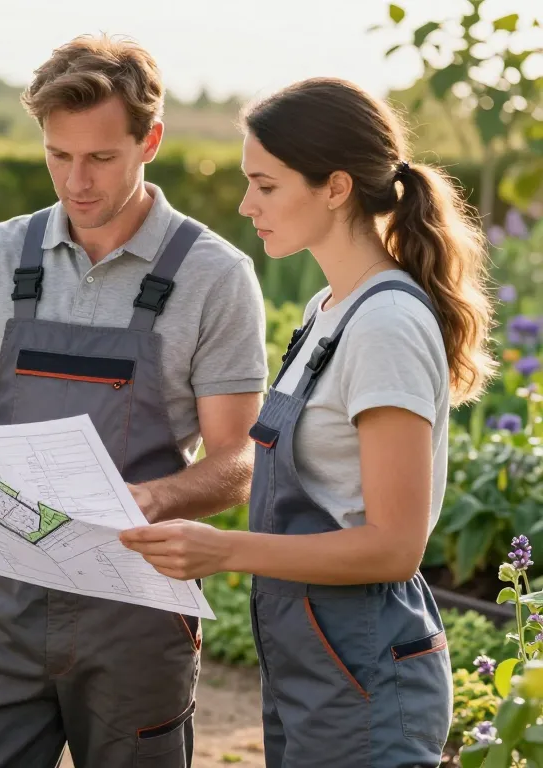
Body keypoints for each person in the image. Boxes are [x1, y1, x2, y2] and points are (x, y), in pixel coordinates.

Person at [0, 34, 268, 768]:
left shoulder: (214, 277)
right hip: (6, 599)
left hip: (138, 609)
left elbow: (239, 458)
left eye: (100, 158)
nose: (77, 182)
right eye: (57, 156)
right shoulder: (0, 256)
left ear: (150, 140)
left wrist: (152, 498)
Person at [120, 76, 497, 767]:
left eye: (266, 185)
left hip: (367, 670)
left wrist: (224, 550)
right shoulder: (329, 308)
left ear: (336, 187)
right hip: (312, 660)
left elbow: (393, 547)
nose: (246, 204)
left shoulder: (385, 323)